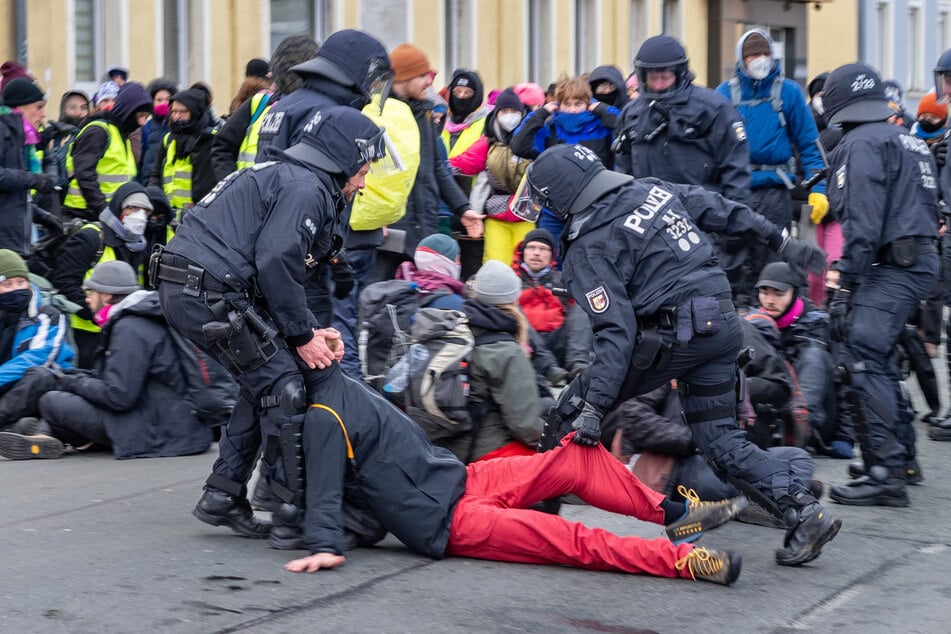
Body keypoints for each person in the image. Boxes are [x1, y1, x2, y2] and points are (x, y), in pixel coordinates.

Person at [514, 143, 840, 566]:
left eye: (545, 201)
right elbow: (724, 209)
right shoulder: (651, 190)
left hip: (674, 335)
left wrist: (593, 405)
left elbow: (616, 333)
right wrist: (781, 241)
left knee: (568, 408)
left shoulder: (588, 248)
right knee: (720, 440)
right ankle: (804, 512)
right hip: (722, 323)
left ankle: (538, 525)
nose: (545, 211)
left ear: (563, 197)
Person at [284, 358, 748, 585]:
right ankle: (683, 562)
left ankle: (676, 515)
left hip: (462, 478)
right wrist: (323, 545)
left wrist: (326, 339)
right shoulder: (323, 413)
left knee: (575, 457)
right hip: (448, 523)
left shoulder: (334, 378)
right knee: (571, 540)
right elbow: (323, 490)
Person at [156, 107, 384, 545]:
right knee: (285, 388)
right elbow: (277, 260)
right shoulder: (306, 187)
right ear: (341, 158)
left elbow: (277, 272)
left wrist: (310, 331)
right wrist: (301, 336)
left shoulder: (292, 177)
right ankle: (293, 514)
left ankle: (222, 496)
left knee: (262, 381)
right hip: (208, 290)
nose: (363, 181)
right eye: (362, 169)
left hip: (197, 287)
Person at [818, 63, 940, 507]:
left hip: (892, 264)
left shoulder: (860, 143)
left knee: (863, 353)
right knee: (879, 352)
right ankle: (899, 458)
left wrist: (845, 286)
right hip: (917, 260)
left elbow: (863, 224)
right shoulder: (905, 137)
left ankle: (885, 470)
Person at [0, 260, 212, 460]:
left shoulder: (130, 328)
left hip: (162, 431)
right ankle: (43, 435)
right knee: (60, 389)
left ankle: (46, 433)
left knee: (52, 400)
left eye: (91, 292)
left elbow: (118, 396)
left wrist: (70, 382)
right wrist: (73, 377)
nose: (87, 298)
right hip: (168, 423)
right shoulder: (133, 320)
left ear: (108, 295)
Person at [715, 30, 828, 307]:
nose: (760, 60)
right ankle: (738, 321)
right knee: (733, 262)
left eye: (765, 54)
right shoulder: (724, 94)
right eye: (753, 55)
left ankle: (778, 325)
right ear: (742, 59)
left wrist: (819, 189)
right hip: (735, 192)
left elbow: (810, 144)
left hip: (775, 192)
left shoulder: (788, 93)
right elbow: (709, 147)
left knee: (774, 263)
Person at [614, 35, 749, 206]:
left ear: (679, 73)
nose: (659, 84)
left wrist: (735, 218)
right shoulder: (632, 112)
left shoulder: (713, 108)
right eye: (653, 78)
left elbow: (735, 167)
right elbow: (622, 168)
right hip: (648, 213)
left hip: (702, 213)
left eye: (665, 77)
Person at [51, 181, 152, 368]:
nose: (140, 216)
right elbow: (64, 281)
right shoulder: (91, 237)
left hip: (116, 332)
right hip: (83, 331)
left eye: (145, 211)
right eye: (133, 208)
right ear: (119, 207)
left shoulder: (139, 246)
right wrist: (95, 313)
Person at [749, 262, 844, 457]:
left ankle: (799, 422)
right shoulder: (755, 321)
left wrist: (845, 436)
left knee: (814, 355)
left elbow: (843, 380)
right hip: (770, 409)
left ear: (795, 293)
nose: (770, 300)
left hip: (818, 415)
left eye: (778, 294)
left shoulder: (818, 324)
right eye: (764, 293)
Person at [510, 73, 620, 240]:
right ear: (557, 105)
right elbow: (519, 145)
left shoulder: (602, 127)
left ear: (588, 104)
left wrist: (602, 109)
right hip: (553, 211)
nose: (572, 110)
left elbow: (625, 125)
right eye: (566, 104)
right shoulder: (550, 128)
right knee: (554, 260)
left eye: (578, 104)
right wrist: (541, 113)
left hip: (594, 208)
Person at [211, 35, 319, 181]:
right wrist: (231, 185)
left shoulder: (320, 109)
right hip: (248, 197)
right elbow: (222, 146)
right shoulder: (260, 102)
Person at [0, 250, 74, 437]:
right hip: (6, 389)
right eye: (7, 284)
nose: (16, 289)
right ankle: (14, 428)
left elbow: (39, 357)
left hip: (40, 385)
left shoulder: (48, 314)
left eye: (21, 282)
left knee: (40, 376)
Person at [62, 81, 153, 221]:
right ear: (128, 110)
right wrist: (102, 209)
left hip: (108, 214)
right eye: (140, 116)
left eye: (146, 117)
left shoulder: (121, 135)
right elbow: (84, 174)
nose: (142, 123)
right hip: (84, 214)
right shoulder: (99, 131)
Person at [469, 86, 535, 264]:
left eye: (514, 111)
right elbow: (482, 181)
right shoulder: (489, 141)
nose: (509, 115)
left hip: (527, 213)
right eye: (504, 110)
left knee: (524, 266)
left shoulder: (535, 139)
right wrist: (474, 212)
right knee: (494, 264)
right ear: (496, 113)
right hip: (496, 214)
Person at [513, 228, 591, 379]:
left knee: (585, 302)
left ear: (551, 255)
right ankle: (547, 366)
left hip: (558, 342)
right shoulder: (510, 279)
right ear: (523, 252)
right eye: (531, 247)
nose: (537, 253)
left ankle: (577, 363)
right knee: (511, 309)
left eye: (543, 249)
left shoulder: (563, 279)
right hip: (526, 344)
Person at [0, 78, 56, 255]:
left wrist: (43, 217)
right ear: (19, 107)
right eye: (38, 107)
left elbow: (11, 200)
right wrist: (33, 179)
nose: (43, 114)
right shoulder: (2, 131)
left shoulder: (20, 139)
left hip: (14, 243)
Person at [147, 88, 217, 219]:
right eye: (173, 111)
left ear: (195, 112)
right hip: (169, 218)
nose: (177, 116)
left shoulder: (209, 139)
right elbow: (155, 175)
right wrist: (156, 202)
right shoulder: (168, 140)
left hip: (198, 217)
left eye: (183, 112)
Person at [137, 78, 177, 184]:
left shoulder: (178, 127)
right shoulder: (146, 128)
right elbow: (140, 161)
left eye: (168, 99)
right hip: (149, 185)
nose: (164, 103)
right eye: (159, 100)